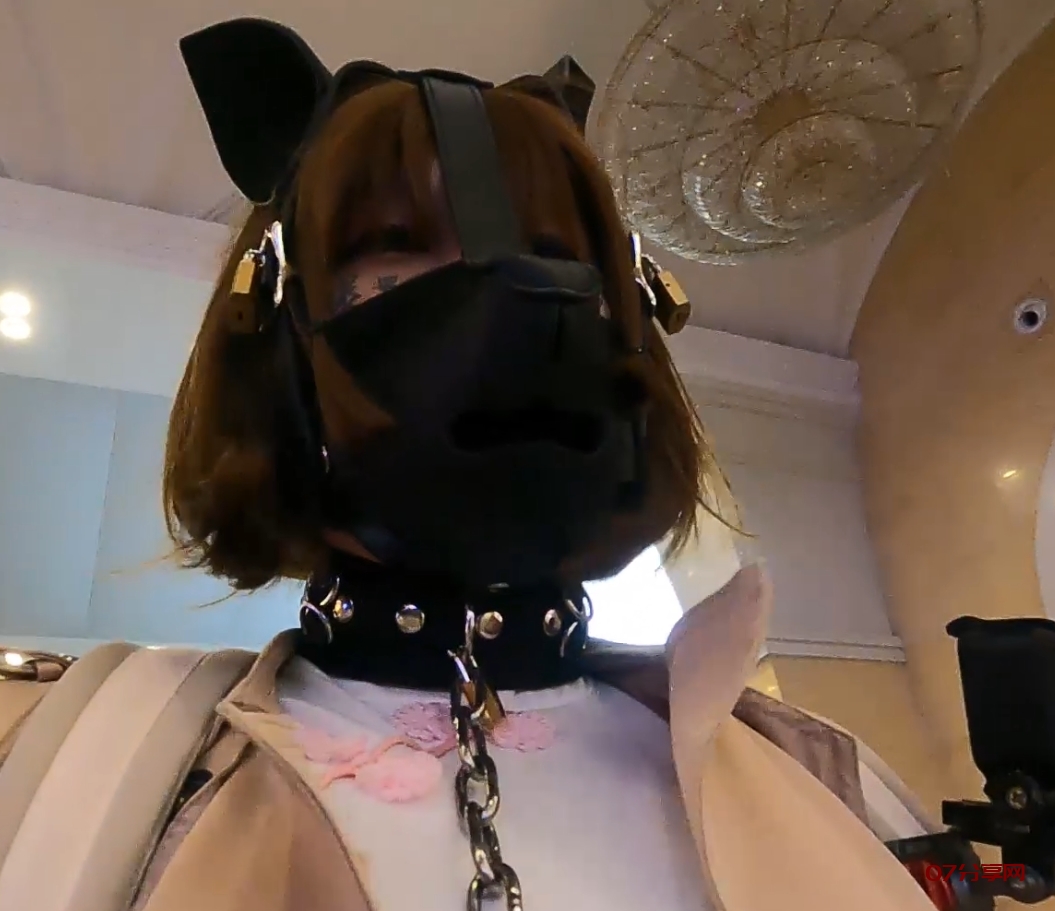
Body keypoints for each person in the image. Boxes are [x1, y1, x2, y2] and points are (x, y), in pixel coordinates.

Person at [0, 17, 945, 911]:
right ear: (278, 323)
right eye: (394, 254)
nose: (507, 300)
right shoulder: (82, 769)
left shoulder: (831, 779)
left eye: (553, 254)